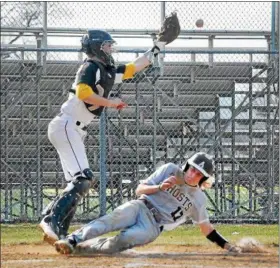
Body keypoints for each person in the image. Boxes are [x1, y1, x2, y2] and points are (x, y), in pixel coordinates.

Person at [39, 29, 165, 245]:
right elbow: (83, 93)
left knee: (77, 182)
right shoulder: (90, 66)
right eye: (107, 45)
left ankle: (59, 233)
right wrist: (111, 102)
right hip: (67, 125)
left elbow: (134, 67)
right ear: (97, 47)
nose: (110, 49)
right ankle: (51, 219)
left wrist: (158, 46)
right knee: (83, 179)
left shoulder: (106, 70)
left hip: (74, 129)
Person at [54, 152, 241, 255]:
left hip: (153, 226)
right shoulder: (170, 170)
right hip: (141, 206)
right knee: (111, 220)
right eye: (192, 169)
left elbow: (206, 228)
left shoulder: (199, 199)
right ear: (186, 166)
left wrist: (227, 246)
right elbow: (139, 190)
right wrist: (160, 186)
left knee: (122, 242)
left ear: (203, 179)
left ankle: (84, 249)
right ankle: (71, 239)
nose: (192, 174)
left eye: (198, 174)